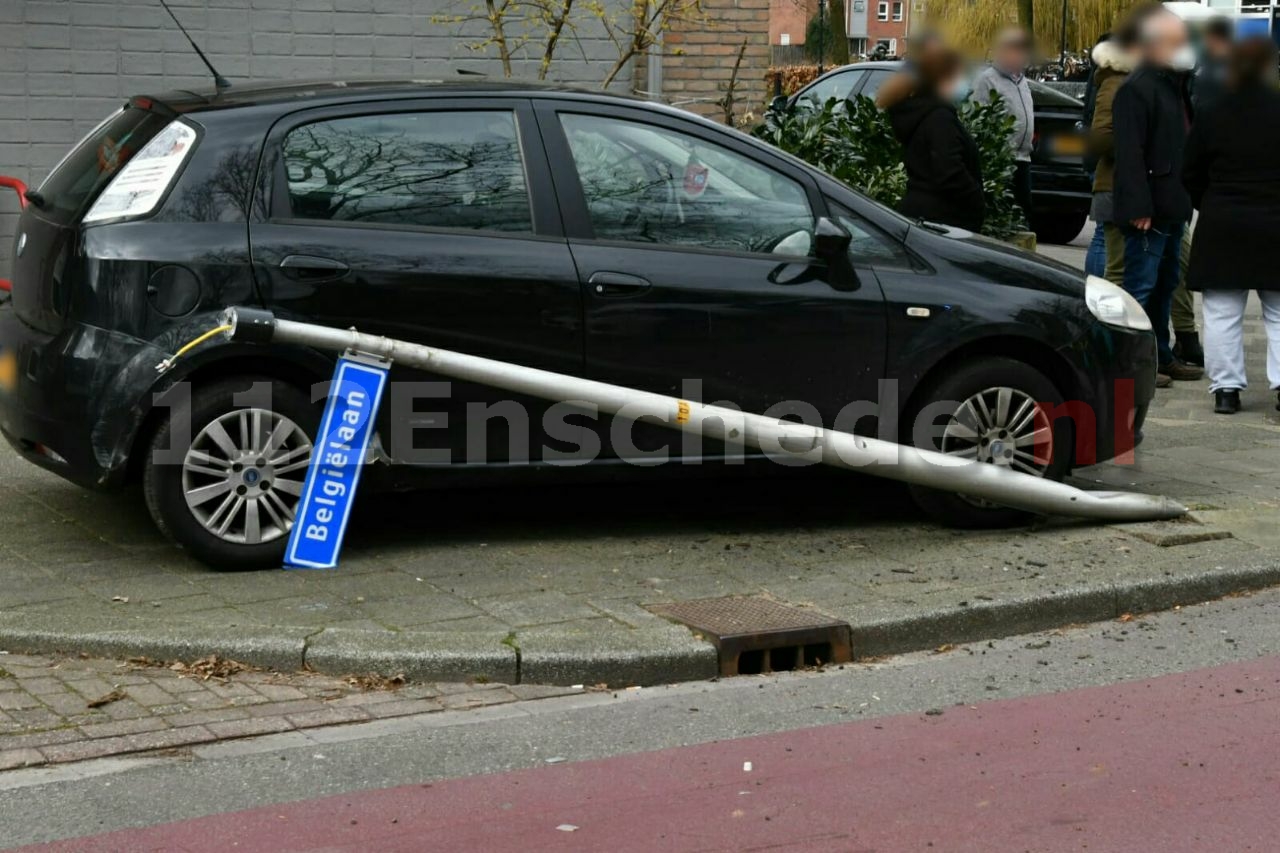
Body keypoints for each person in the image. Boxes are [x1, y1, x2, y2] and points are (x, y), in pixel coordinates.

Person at [1182, 36, 1280, 415]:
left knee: (1222, 311)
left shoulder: (1212, 109)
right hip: (1275, 221)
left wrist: (1208, 202)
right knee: (1278, 312)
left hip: (1224, 219)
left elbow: (1190, 170)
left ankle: (1226, 389)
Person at [1112, 8, 1203, 385]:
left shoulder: (1174, 85)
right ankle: (1130, 365)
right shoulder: (1137, 88)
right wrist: (1138, 206)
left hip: (1172, 205)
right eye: (1177, 40)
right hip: (1149, 209)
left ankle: (1160, 356)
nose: (1185, 47)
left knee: (1166, 285)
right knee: (1141, 287)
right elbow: (1129, 151)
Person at [1170, 15, 1234, 368]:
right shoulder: (1197, 79)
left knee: (1220, 303)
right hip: (1199, 194)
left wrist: (1199, 196)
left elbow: (1194, 146)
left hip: (1205, 197)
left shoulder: (1197, 79)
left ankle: (1219, 378)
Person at [879, 47, 985, 232]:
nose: (963, 82)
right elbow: (949, 171)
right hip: (944, 221)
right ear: (941, 80)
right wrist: (976, 200)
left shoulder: (921, 113)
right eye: (958, 76)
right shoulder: (939, 118)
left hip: (925, 215)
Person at [1087, 13, 1146, 291]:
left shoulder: (1132, 81)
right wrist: (1137, 151)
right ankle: (1104, 328)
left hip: (1124, 184)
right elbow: (1101, 137)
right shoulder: (1116, 82)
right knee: (1115, 269)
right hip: (1115, 184)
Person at [972, 28, 1035, 217]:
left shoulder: (1023, 82)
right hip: (1001, 160)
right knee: (1006, 213)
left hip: (1023, 158)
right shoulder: (986, 79)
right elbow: (978, 118)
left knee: (1024, 214)